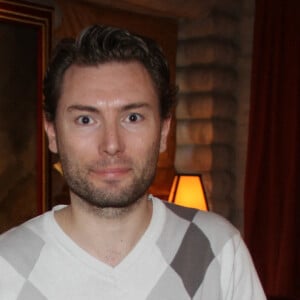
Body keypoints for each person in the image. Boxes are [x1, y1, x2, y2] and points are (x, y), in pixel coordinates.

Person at [0, 24, 266, 300]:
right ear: (52, 133)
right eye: (86, 120)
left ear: (164, 132)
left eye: (133, 118)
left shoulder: (217, 251)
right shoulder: (6, 268)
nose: (112, 144)